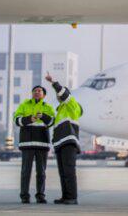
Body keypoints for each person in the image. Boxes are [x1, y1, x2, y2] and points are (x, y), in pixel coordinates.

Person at [45, 71, 83, 205]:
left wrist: (53, 82)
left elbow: (64, 94)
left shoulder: (72, 105)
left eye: (59, 94)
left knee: (69, 171)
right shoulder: (60, 110)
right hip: (60, 144)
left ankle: (72, 197)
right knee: (63, 173)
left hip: (69, 143)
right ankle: (66, 196)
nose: (58, 95)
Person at [13, 84, 55, 204]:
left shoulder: (48, 107)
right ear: (32, 93)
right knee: (25, 171)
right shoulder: (24, 105)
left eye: (39, 91)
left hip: (42, 144)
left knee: (41, 172)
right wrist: (29, 119)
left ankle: (40, 196)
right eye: (35, 91)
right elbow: (16, 120)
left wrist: (44, 116)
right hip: (27, 144)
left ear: (44, 95)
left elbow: (52, 121)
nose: (37, 92)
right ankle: (24, 196)